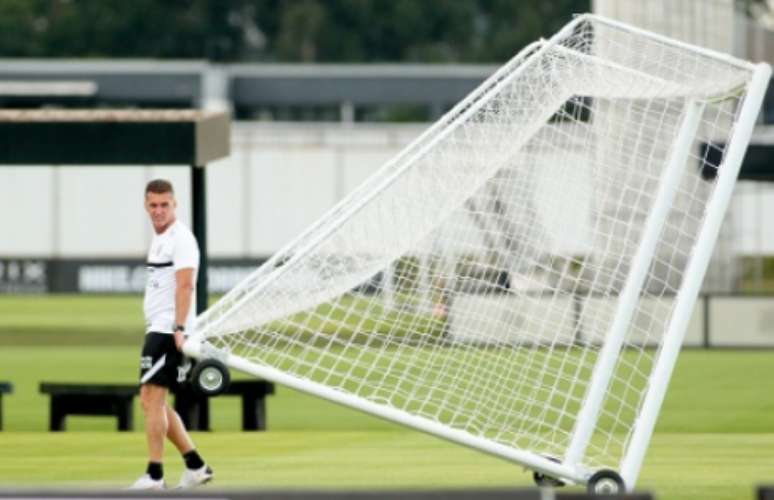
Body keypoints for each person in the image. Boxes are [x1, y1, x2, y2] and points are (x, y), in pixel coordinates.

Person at [129, 179, 213, 490]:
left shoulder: (181, 239)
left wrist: (179, 328)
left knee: (151, 400)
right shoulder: (160, 238)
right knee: (154, 401)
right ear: (146, 206)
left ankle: (154, 475)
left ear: (175, 205)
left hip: (167, 330)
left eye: (165, 205)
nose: (159, 210)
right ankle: (196, 465)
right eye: (153, 205)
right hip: (160, 327)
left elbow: (186, 285)